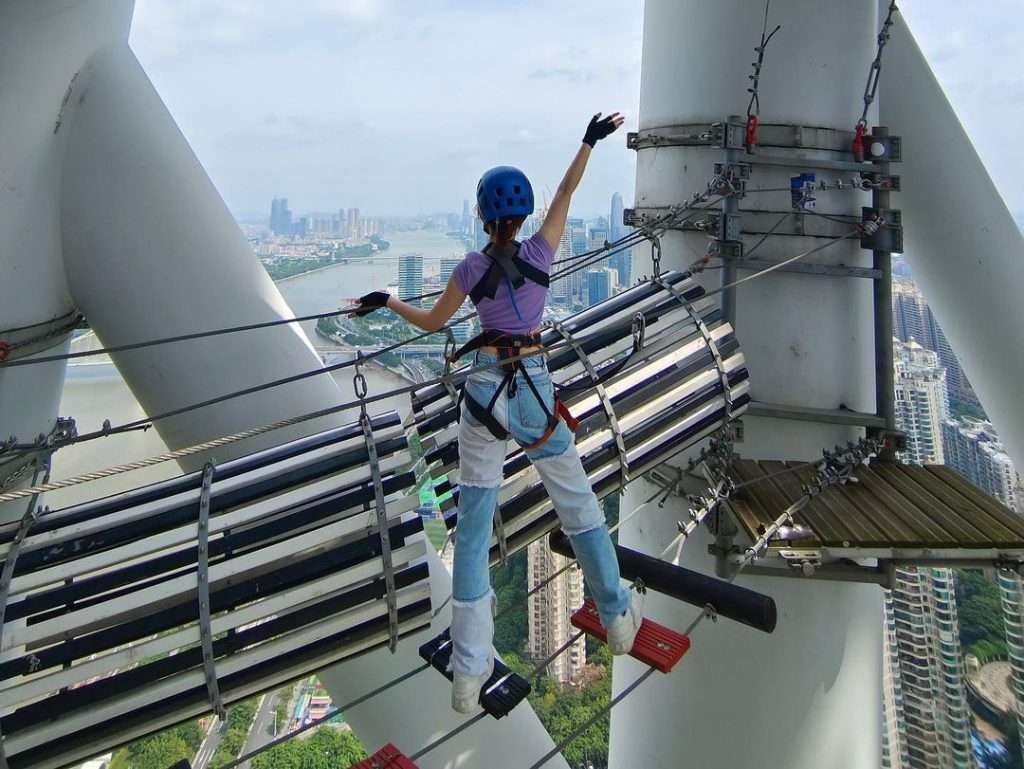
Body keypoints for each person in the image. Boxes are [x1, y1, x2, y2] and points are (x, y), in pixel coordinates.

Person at [352, 112, 642, 713]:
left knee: (473, 532)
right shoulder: (542, 251)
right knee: (579, 506)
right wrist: (588, 140)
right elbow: (567, 193)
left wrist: (388, 300)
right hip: (534, 390)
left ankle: (467, 671)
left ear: (482, 217)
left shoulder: (468, 269)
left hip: (484, 396)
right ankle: (617, 618)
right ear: (523, 214)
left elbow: (433, 324)